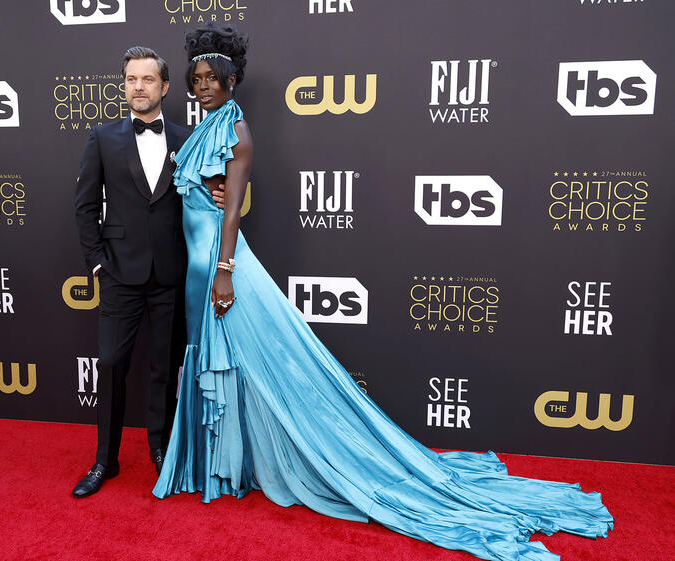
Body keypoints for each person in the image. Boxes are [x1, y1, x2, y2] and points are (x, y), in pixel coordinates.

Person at [152, 24, 614, 561]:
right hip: (195, 270)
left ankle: (319, 466)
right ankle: (221, 466)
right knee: (220, 368)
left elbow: (230, 210)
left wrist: (226, 270)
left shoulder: (237, 133)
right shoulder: (201, 132)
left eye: (214, 78)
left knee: (260, 367)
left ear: (233, 81)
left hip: (224, 269)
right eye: (198, 78)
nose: (204, 85)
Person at [72, 46, 224, 498]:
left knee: (165, 368)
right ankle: (105, 460)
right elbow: (83, 208)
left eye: (147, 80)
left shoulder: (186, 139)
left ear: (164, 87)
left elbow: (202, 198)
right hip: (119, 273)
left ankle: (162, 452)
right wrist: (98, 263)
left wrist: (217, 196)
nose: (138, 87)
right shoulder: (102, 138)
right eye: (131, 79)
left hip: (171, 274)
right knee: (112, 365)